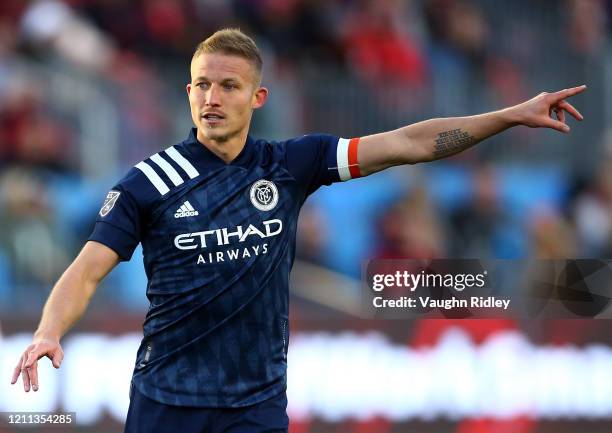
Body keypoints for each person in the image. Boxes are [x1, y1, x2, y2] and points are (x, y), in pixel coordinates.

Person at [10, 28, 586, 433]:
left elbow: (406, 143)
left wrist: (508, 114)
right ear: (188, 93)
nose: (213, 98)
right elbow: (87, 267)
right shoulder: (148, 183)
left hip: (256, 405)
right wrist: (48, 331)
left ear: (257, 97)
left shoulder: (289, 164)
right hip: (167, 399)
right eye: (202, 85)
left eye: (229, 86)